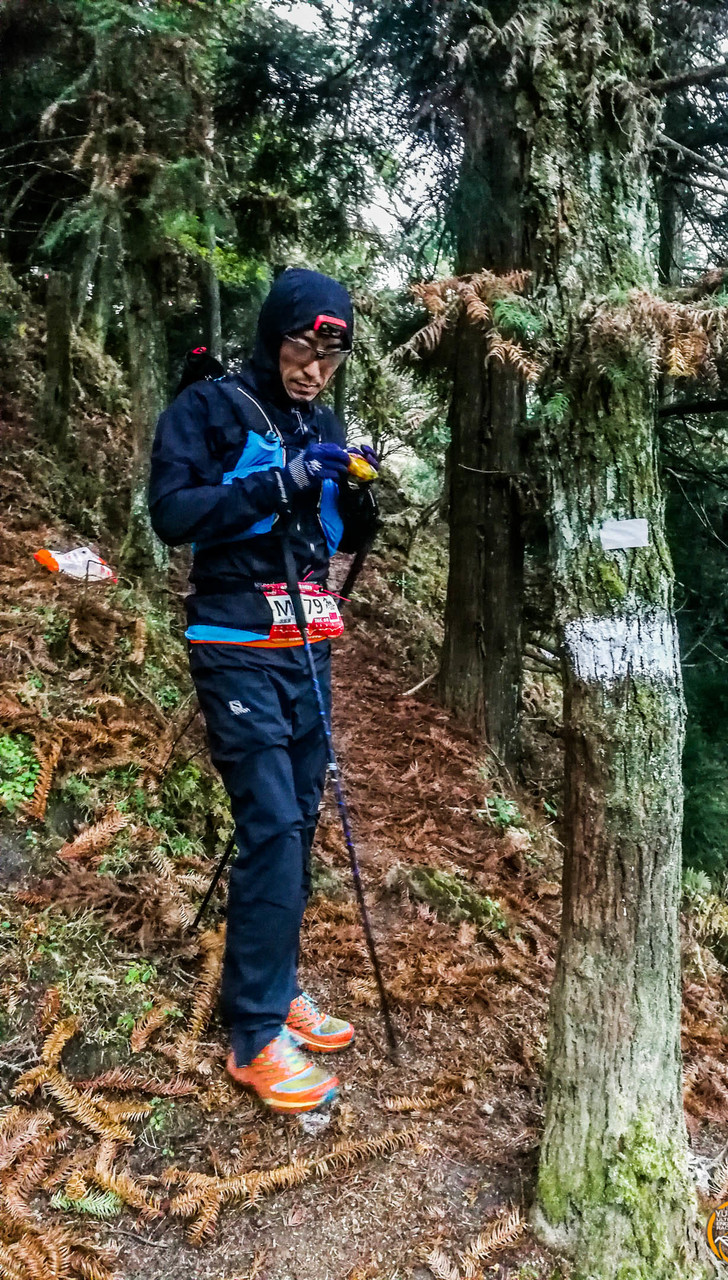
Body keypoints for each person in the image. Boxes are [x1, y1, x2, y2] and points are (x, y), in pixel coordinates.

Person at [149, 268, 380, 1114]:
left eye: (331, 354)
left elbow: (342, 533)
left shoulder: (322, 420)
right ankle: (253, 1036)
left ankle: (276, 987)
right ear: (272, 335)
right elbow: (172, 513)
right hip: (235, 643)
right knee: (274, 823)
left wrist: (355, 489)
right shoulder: (207, 409)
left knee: (298, 821)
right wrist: (280, 480)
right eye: (301, 346)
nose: (314, 368)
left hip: (308, 642)